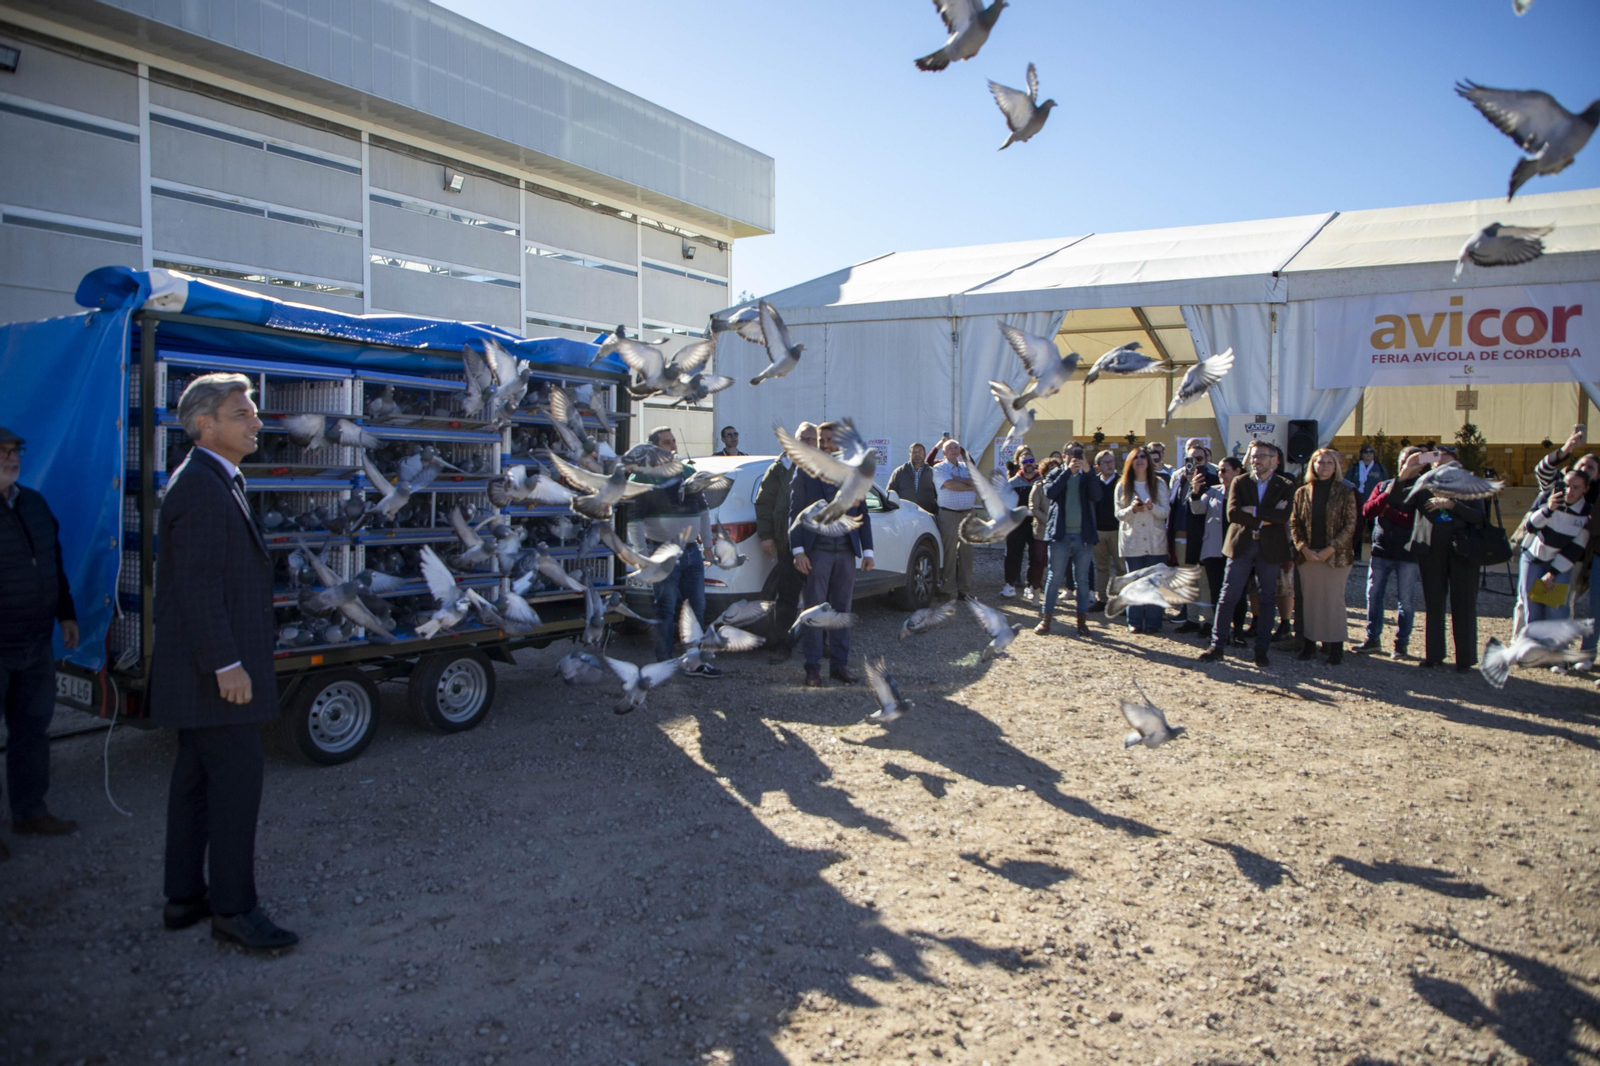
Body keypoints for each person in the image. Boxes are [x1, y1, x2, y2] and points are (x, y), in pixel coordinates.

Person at [150, 374, 296, 950]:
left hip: (204, 675)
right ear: (205, 425)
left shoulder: (213, 479)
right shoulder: (203, 490)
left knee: (193, 786)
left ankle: (184, 897)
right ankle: (234, 911)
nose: (256, 422)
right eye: (242, 414)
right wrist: (227, 665)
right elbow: (198, 589)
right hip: (217, 677)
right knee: (235, 790)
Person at [0, 426, 79, 861]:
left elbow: (53, 562)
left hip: (34, 643)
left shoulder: (33, 503)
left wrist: (65, 613)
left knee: (32, 732)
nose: (10, 458)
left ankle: (30, 812)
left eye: (14, 451)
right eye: (2, 452)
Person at [628, 427, 721, 676]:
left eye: (673, 441)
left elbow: (703, 512)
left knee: (697, 608)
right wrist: (641, 556)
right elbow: (634, 520)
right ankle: (663, 664)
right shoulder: (643, 478)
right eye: (667, 443)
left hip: (692, 552)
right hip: (661, 553)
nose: (673, 446)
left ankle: (696, 662)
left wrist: (709, 547)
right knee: (666, 609)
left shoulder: (689, 473)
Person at [1199, 439, 1297, 667]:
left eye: (1262, 456)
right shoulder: (1240, 482)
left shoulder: (1285, 485)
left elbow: (1284, 517)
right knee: (1228, 596)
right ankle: (1217, 645)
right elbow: (1233, 514)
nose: (1256, 460)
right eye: (1253, 456)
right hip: (1242, 545)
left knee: (1267, 598)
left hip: (1269, 548)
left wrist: (1253, 510)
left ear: (1274, 460)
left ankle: (1261, 650)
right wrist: (1268, 515)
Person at [790, 421, 874, 686]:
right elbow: (794, 513)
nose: (825, 445)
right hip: (817, 554)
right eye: (821, 440)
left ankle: (840, 666)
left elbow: (863, 514)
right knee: (814, 613)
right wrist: (798, 550)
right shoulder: (806, 470)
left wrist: (868, 550)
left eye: (829, 440)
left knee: (841, 612)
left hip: (846, 554)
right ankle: (812, 668)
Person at [1400, 446, 1486, 672]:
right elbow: (1402, 503)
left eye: (1444, 460)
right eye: (1435, 460)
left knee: (1464, 603)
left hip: (1464, 549)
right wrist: (1410, 469)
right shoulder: (1425, 483)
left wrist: (1451, 505)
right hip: (1432, 550)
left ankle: (1465, 658)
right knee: (1434, 603)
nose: (1439, 464)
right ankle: (1434, 654)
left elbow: (1479, 516)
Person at [1289, 448, 1358, 664]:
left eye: (1329, 462)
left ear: (1335, 466)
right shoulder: (1302, 492)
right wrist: (1303, 548)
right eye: (1320, 462)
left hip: (1336, 557)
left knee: (1333, 602)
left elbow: (1350, 524)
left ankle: (1335, 647)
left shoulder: (1345, 492)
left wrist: (1331, 548)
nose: (1324, 466)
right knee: (1309, 602)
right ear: (1313, 465)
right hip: (1308, 556)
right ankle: (1309, 645)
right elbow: (1294, 523)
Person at [1357, 446, 1425, 659]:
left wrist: (1388, 513)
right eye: (1404, 460)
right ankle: (1372, 638)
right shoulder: (1384, 485)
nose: (1407, 464)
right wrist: (1388, 497)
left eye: (1413, 461)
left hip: (1408, 552)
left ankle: (1401, 643)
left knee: (1406, 600)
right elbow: (1368, 511)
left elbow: (1413, 521)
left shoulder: (1423, 489)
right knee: (1374, 595)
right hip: (1381, 550)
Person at [754, 422, 810, 662]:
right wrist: (766, 536)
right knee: (787, 597)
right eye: (803, 438)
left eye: (812, 439)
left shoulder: (824, 467)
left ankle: (822, 644)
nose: (808, 443)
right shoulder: (779, 468)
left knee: (822, 598)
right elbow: (764, 503)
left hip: (819, 544)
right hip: (788, 543)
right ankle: (782, 645)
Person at [1034, 447, 1104, 636]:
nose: (1075, 459)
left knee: (1082, 579)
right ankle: (1046, 619)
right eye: (1071, 455)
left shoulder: (1088, 476)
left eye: (1078, 456)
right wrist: (1067, 472)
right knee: (1054, 577)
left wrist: (1089, 473)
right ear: (1064, 457)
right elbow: (1050, 492)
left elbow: (1097, 496)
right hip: (1060, 535)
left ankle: (1082, 621)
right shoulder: (1056, 473)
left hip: (1084, 536)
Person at [1520, 466, 1592, 625]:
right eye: (1566, 485)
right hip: (1533, 558)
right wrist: (1549, 509)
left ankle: (1556, 649)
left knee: (1556, 611)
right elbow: (1531, 526)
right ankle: (1535, 648)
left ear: (1585, 489)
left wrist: (1552, 572)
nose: (1569, 491)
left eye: (1576, 487)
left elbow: (1576, 547)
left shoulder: (1586, 512)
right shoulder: (1547, 497)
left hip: (1560, 564)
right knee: (1533, 610)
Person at [1188, 456, 1247, 643]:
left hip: (1238, 549)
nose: (1220, 474)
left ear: (1237, 471)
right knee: (1216, 591)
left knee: (1238, 592)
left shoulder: (1246, 492)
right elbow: (1197, 509)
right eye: (1219, 470)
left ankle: (1238, 630)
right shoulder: (1213, 491)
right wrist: (1195, 492)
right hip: (1214, 550)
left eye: (1224, 470)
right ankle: (1220, 631)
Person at [1113, 448, 1171, 634]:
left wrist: (1151, 507)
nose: (1139, 460)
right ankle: (1135, 621)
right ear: (1130, 462)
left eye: (1143, 457)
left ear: (1149, 461)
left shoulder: (1159, 484)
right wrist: (1132, 510)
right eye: (1135, 457)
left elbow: (1165, 512)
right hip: (1133, 541)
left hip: (1155, 541)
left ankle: (1154, 621)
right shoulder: (1122, 485)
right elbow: (1119, 514)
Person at [1168, 441, 1219, 631]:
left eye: (1199, 459)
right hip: (1181, 535)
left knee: (1204, 580)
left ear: (1207, 460)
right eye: (1190, 459)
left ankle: (1208, 621)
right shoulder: (1179, 479)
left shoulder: (1213, 480)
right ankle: (1191, 618)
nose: (1195, 463)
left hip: (1202, 536)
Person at [932, 439, 976, 600]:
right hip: (948, 514)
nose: (953, 449)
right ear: (943, 452)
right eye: (949, 447)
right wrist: (967, 484)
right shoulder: (939, 468)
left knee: (967, 553)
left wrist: (960, 480)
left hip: (968, 514)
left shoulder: (966, 467)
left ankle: (964, 590)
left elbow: (975, 482)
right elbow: (950, 485)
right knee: (949, 552)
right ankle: (946, 588)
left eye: (956, 447)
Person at [1002, 447, 1043, 599]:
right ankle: (1009, 585)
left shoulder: (1041, 480)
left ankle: (1031, 586)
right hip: (1016, 524)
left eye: (1031, 461)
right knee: (1013, 555)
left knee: (1035, 556)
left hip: (1036, 523)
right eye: (1025, 461)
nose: (1028, 464)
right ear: (1019, 464)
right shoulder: (1012, 483)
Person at [1344, 444, 1388, 562]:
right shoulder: (1354, 468)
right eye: (1366, 452)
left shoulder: (1379, 467)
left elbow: (1386, 484)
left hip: (1374, 503)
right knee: (1358, 530)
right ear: (1361, 454)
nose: (1368, 454)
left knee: (1375, 529)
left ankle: (1376, 554)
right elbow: (1346, 484)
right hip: (1358, 503)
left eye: (1371, 452)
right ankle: (1356, 554)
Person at [1089, 450, 1121, 609]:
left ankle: (1123, 601)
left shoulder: (1122, 482)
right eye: (1106, 462)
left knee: (1122, 568)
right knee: (1101, 567)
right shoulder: (1094, 482)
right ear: (1098, 466)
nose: (1110, 465)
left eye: (1111, 461)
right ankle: (1102, 598)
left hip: (1118, 531)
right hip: (1099, 531)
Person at [1027, 457, 1059, 603]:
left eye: (1056, 467)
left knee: (1056, 564)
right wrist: (1049, 521)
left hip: (1058, 531)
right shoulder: (1038, 486)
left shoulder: (1062, 486)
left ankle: (1053, 593)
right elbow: (1034, 508)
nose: (1053, 470)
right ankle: (1036, 591)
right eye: (1050, 467)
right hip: (1041, 530)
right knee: (1039, 561)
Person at [887, 442, 940, 515]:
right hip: (904, 515)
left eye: (920, 451)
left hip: (927, 515)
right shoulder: (899, 472)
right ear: (909, 455)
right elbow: (890, 492)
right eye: (914, 452)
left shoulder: (932, 472)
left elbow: (939, 495)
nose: (917, 454)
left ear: (924, 454)